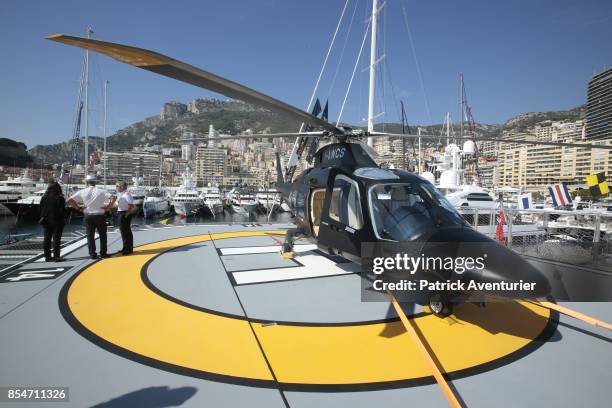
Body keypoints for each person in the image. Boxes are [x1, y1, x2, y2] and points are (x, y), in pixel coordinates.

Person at [67, 174, 115, 259]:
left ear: (87, 182)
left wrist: (78, 208)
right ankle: (103, 253)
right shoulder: (101, 191)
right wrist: (108, 207)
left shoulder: (82, 191)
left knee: (90, 236)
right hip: (99, 215)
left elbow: (69, 200)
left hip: (88, 215)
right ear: (95, 182)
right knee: (103, 235)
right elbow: (113, 198)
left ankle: (92, 254)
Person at [39, 181, 66, 262]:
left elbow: (40, 209)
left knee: (47, 239)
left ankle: (47, 257)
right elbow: (62, 211)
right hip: (57, 221)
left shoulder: (44, 197)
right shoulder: (60, 198)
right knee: (56, 239)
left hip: (46, 221)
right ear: (58, 189)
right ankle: (56, 257)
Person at [114, 181, 134, 255]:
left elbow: (131, 206)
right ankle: (125, 247)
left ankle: (129, 249)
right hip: (121, 213)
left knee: (126, 231)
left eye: (117, 186)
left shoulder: (127, 194)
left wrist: (126, 215)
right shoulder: (121, 194)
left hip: (124, 213)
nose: (116, 187)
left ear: (122, 187)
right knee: (123, 231)